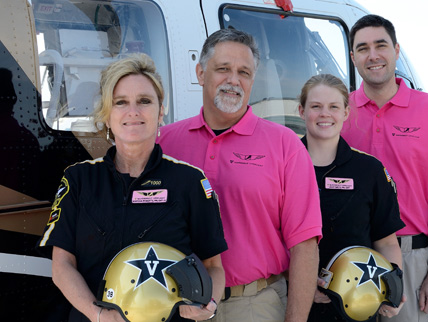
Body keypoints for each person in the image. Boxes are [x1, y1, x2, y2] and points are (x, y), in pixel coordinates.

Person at [38, 53, 227, 322]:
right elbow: (62, 266)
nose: (133, 111)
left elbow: (213, 267)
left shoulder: (190, 181)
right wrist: (98, 314)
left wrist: (208, 307)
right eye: (120, 102)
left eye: (145, 101)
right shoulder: (78, 179)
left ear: (161, 111)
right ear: (106, 114)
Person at [157, 28, 322, 322]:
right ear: (201, 73)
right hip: (175, 304)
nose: (234, 80)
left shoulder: (285, 146)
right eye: (223, 69)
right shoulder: (164, 142)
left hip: (254, 305)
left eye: (244, 72)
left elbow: (305, 247)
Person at [340, 14, 428, 322]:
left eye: (381, 45)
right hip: (350, 257)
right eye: (363, 48)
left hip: (411, 257)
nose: (373, 55)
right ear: (353, 56)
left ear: (397, 50)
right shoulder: (340, 111)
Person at [297, 74, 406, 321]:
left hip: (356, 307)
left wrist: (394, 283)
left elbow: (387, 241)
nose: (325, 114)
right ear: (302, 110)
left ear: (346, 112)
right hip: (292, 301)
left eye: (334, 107)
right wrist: (300, 282)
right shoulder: (284, 166)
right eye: (316, 106)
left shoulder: (370, 171)